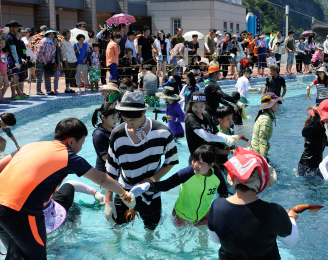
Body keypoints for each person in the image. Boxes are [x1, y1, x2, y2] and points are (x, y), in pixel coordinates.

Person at [0, 118, 136, 260]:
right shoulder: (68, 156)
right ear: (71, 141)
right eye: (82, 142)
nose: (81, 147)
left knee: (15, 254)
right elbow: (102, 178)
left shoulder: (29, 146)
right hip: (21, 212)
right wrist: (124, 193)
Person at [208, 147, 299, 260]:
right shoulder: (274, 211)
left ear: (233, 177)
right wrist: (291, 218)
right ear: (262, 180)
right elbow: (290, 242)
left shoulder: (216, 206)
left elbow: (215, 240)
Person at [105, 91, 178, 230]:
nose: (129, 125)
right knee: (117, 228)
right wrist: (108, 201)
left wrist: (151, 179)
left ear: (144, 111)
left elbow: (171, 161)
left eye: (132, 121)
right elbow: (110, 170)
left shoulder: (163, 132)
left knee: (151, 230)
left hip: (151, 192)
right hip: (123, 191)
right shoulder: (117, 134)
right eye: (126, 120)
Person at [185, 91, 240, 157]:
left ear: (205, 105)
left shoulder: (206, 114)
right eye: (195, 106)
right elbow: (206, 136)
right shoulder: (190, 117)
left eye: (201, 106)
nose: (198, 109)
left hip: (210, 156)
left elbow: (216, 132)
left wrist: (230, 137)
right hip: (198, 158)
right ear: (191, 105)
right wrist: (225, 140)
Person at [299, 100, 328, 176]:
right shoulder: (314, 124)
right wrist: (313, 121)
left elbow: (317, 142)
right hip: (307, 166)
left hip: (316, 165)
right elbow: (304, 133)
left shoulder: (321, 125)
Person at [251, 93, 283, 159]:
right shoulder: (266, 120)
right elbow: (262, 142)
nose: (278, 104)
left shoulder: (265, 116)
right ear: (270, 105)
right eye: (276, 102)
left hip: (255, 150)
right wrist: (264, 160)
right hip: (257, 154)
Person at [92, 102, 118, 174]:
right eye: (113, 117)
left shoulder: (115, 129)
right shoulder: (99, 134)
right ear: (103, 117)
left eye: (116, 116)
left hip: (115, 168)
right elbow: (105, 157)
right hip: (104, 173)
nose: (116, 120)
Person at [5, 21, 25, 100]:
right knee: (14, 76)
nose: (17, 29)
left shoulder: (13, 37)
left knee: (16, 77)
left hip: (16, 59)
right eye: (16, 27)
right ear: (11, 28)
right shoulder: (10, 37)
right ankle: (13, 94)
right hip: (12, 59)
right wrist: (16, 61)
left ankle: (18, 93)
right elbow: (13, 50)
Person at [35, 29, 57, 95]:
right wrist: (43, 60)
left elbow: (53, 54)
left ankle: (49, 90)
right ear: (47, 35)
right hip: (40, 61)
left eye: (53, 34)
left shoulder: (52, 43)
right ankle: (38, 91)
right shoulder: (43, 41)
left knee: (48, 76)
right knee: (39, 76)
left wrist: (52, 61)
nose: (52, 35)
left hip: (48, 62)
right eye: (51, 34)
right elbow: (39, 52)